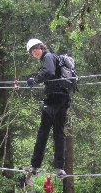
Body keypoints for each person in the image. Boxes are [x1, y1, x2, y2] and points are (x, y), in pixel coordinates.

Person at [24, 38, 70, 179]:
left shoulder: (48, 57)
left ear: (41, 47)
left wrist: (34, 80)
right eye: (32, 51)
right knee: (59, 132)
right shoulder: (53, 57)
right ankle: (60, 168)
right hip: (63, 98)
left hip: (54, 99)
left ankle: (34, 166)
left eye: (36, 49)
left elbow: (49, 72)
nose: (34, 52)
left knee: (43, 132)